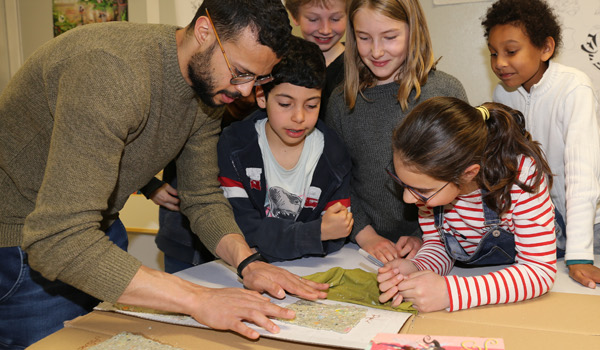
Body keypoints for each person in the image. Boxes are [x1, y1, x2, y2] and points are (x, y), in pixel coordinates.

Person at [0, 0, 333, 344]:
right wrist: (197, 298)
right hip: (22, 249)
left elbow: (201, 196)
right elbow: (58, 240)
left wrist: (247, 262)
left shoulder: (210, 84)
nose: (246, 91)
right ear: (204, 32)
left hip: (95, 234)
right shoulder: (111, 73)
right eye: (241, 72)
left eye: (258, 78)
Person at [479, 0, 600, 293]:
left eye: (511, 51)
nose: (499, 62)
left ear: (545, 48)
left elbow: (581, 172)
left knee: (587, 288)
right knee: (550, 286)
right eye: (493, 53)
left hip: (592, 214)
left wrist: (580, 255)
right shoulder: (503, 94)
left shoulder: (573, 87)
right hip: (546, 213)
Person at [182, 37, 357, 270]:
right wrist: (314, 234)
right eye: (285, 104)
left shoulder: (335, 155)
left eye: (311, 105)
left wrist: (272, 241)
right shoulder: (234, 146)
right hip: (239, 271)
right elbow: (241, 228)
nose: (299, 117)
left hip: (308, 272)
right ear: (262, 97)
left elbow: (336, 235)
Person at [375, 98, 559, 312]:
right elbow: (440, 246)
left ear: (468, 173)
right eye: (403, 184)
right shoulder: (427, 184)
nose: (408, 198)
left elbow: (539, 271)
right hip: (481, 281)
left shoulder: (522, 176)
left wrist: (451, 293)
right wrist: (416, 267)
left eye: (422, 191)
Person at [328, 0, 467, 264]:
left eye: (390, 37)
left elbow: (460, 180)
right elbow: (336, 181)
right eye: (364, 38)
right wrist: (365, 234)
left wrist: (423, 236)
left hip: (436, 245)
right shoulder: (340, 102)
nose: (377, 51)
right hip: (359, 248)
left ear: (414, 32)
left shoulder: (446, 91)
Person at [284, 0, 347, 66]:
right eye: (313, 19)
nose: (325, 31)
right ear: (295, 17)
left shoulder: (356, 64)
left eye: (335, 19)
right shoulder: (282, 63)